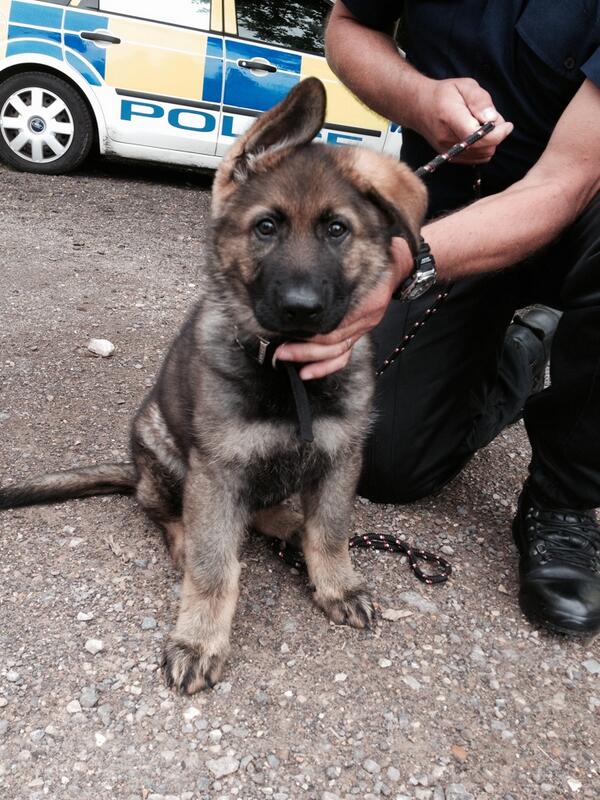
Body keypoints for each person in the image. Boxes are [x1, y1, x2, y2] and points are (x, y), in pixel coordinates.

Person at [275, 1, 600, 636]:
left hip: (578, 211)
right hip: (456, 202)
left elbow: (568, 180)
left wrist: (402, 264)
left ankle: (562, 498)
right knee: (390, 463)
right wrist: (419, 98)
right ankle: (523, 352)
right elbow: (347, 27)